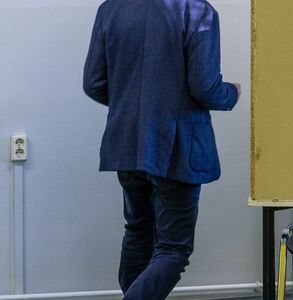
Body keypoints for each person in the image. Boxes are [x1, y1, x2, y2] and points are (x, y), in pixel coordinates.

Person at [82, 0, 240, 299]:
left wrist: (131, 107)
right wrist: (231, 92)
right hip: (176, 146)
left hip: (126, 141)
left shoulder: (110, 9)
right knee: (172, 249)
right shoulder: (197, 11)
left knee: (137, 233)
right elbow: (204, 86)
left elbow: (94, 83)